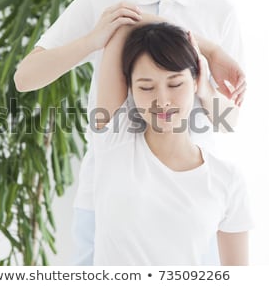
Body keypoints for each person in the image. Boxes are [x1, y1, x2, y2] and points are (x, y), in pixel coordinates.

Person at [14, 0, 246, 265]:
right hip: (112, 195)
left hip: (195, 202)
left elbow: (230, 119)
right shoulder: (100, 0)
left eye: (175, 83)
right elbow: (25, 78)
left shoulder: (219, 12)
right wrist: (92, 40)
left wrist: (205, 82)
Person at [92, 21, 253, 265]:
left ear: (197, 80)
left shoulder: (226, 180)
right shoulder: (114, 140)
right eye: (146, 87)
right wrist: (212, 50)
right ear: (130, 89)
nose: (162, 100)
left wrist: (207, 77)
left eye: (175, 84)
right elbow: (123, 23)